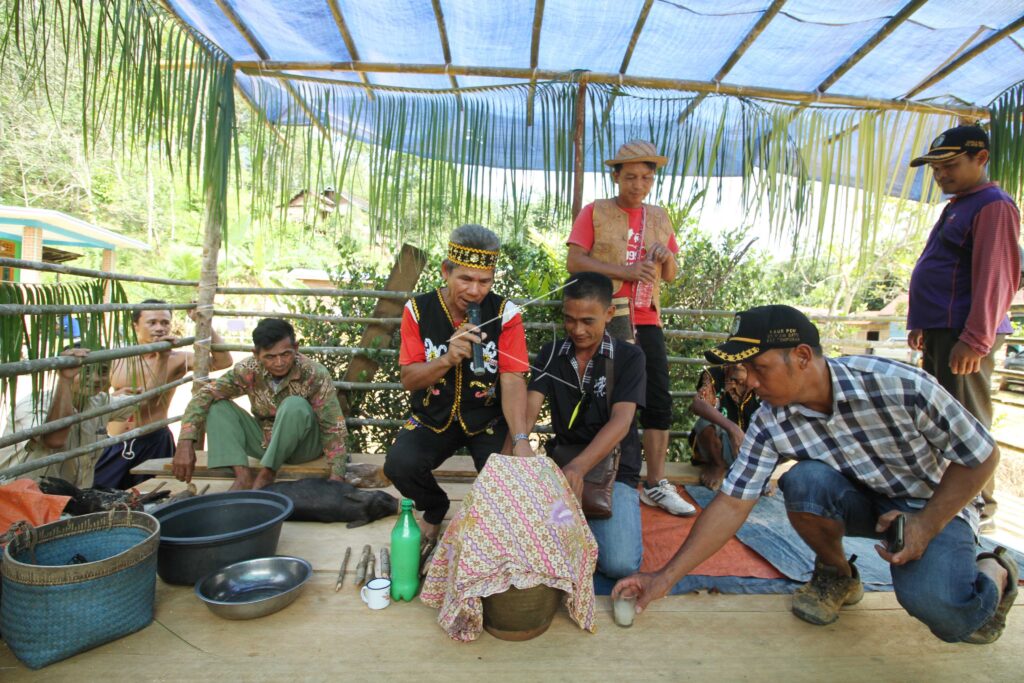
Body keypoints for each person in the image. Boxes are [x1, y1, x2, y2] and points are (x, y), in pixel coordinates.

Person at [614, 305, 1018, 644]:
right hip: (867, 500)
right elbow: (733, 502)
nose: (750, 382)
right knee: (803, 482)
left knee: (949, 617)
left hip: (936, 506)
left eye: (760, 368)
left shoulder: (900, 387)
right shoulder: (772, 420)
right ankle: (837, 574)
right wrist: (662, 578)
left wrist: (926, 523)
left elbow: (982, 458)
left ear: (803, 356)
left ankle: (995, 569)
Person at [383, 224, 532, 554]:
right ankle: (435, 508)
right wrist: (448, 358)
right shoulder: (418, 310)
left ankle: (486, 539)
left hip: (487, 421)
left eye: (485, 281)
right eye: (466, 279)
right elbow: (409, 378)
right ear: (446, 272)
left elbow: (512, 378)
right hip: (433, 418)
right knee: (398, 464)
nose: (476, 291)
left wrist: (520, 438)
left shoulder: (505, 314)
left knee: (503, 477)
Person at [565, 140, 694, 517]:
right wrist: (624, 272)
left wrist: (667, 257)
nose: (639, 184)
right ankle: (599, 476)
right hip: (608, 316)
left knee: (658, 398)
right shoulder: (596, 211)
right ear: (616, 176)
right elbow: (575, 260)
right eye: (631, 176)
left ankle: (654, 484)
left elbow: (670, 274)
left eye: (647, 177)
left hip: (647, 318)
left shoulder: (659, 216)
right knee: (606, 400)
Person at [906, 125, 1021, 529]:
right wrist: (920, 321)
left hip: (964, 333)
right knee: (941, 415)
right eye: (936, 168)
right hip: (943, 328)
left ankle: (978, 506)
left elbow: (997, 276)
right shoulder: (961, 205)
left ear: (981, 159)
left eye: (950, 165)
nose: (941, 175)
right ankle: (949, 496)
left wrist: (975, 338)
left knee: (966, 419)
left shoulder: (993, 206)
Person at [525, 272, 648, 585]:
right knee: (544, 550)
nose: (577, 330)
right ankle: (579, 521)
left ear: (609, 314)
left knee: (620, 564)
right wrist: (517, 446)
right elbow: (529, 408)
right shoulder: (551, 353)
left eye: (587, 321)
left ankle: (601, 516)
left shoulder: (629, 357)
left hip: (614, 467)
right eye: (569, 319)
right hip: (564, 465)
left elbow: (622, 421)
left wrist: (579, 469)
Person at [172, 318, 348, 490]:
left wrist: (337, 477)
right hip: (265, 444)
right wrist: (185, 441)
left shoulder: (313, 373)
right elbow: (204, 395)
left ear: (295, 348)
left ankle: (267, 474)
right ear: (256, 354)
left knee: (294, 405)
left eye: (285, 354)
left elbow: (333, 425)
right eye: (270, 357)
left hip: (303, 448)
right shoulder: (247, 370)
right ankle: (243, 476)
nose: (279, 362)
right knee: (216, 406)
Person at [95, 299, 233, 488]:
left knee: (154, 496)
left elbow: (224, 361)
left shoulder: (176, 359)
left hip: (154, 440)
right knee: (99, 493)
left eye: (165, 323)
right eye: (152, 323)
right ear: (135, 325)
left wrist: (204, 323)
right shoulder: (118, 359)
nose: (160, 328)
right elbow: (97, 398)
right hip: (116, 441)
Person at [0, 347, 133, 487]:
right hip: (18, 497)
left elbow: (143, 401)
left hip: (68, 497)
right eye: (85, 370)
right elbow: (54, 440)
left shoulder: (100, 401)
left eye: (103, 371)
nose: (95, 378)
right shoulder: (33, 405)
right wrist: (65, 379)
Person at [688, 363, 761, 490]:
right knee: (704, 423)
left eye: (744, 359)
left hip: (749, 451)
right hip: (719, 445)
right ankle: (717, 465)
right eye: (735, 358)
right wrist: (732, 429)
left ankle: (759, 474)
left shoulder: (761, 377)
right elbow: (697, 404)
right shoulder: (714, 375)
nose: (739, 363)